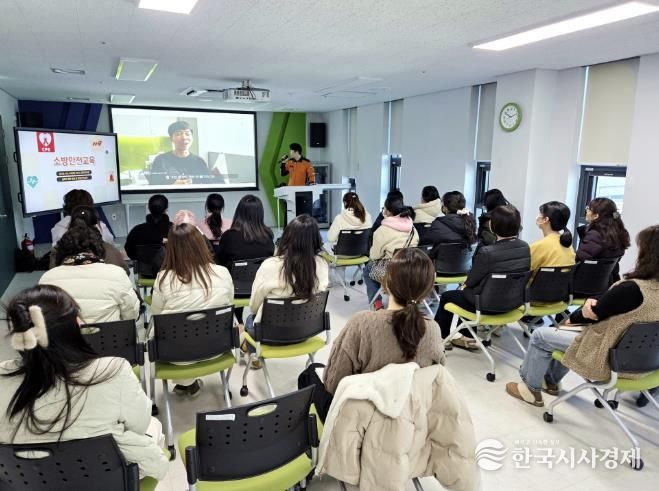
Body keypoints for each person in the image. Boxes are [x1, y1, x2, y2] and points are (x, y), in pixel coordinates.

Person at [0, 285, 168, 480]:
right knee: (153, 426)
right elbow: (139, 425)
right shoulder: (113, 371)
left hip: (30, 480)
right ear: (74, 325)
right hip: (105, 478)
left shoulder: (3, 376)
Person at [506, 225, 659, 407]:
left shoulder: (632, 289)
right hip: (646, 364)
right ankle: (550, 381)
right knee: (570, 332)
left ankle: (530, 390)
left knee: (541, 336)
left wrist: (575, 317)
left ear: (648, 255)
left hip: (607, 356)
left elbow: (593, 313)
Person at [324, 248, 445, 394]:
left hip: (364, 405)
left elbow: (333, 384)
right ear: (427, 289)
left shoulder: (361, 323)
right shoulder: (433, 330)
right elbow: (435, 380)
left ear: (386, 283)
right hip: (411, 406)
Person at [151, 223, 234, 396]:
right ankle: (188, 383)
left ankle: (186, 382)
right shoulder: (222, 273)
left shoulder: (163, 279)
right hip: (217, 348)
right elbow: (228, 304)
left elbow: (156, 316)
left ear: (171, 249)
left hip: (175, 355)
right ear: (201, 244)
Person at [435, 205, 530, 350]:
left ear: (493, 226)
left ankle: (441, 338)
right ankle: (466, 336)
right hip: (513, 304)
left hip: (486, 305)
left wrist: (466, 285)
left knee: (449, 296)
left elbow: (471, 280)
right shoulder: (525, 247)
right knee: (468, 293)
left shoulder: (487, 252)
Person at [244, 214, 329, 347]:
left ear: (287, 237)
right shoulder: (322, 264)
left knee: (250, 319)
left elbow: (254, 306)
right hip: (305, 331)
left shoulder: (270, 265)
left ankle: (250, 351)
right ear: (316, 240)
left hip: (270, 335)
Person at [39, 218, 140, 324]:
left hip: (67, 335)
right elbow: (131, 315)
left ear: (62, 250)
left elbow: (43, 320)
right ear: (99, 249)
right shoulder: (116, 274)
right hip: (110, 334)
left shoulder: (47, 279)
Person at [216, 195, 275, 323]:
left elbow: (220, 263)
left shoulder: (228, 236)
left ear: (238, 213)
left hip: (235, 291)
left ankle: (238, 322)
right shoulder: (268, 235)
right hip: (261, 288)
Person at [364, 197, 419, 310]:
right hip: (411, 270)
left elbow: (374, 256)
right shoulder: (412, 228)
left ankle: (376, 303)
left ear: (387, 211)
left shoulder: (382, 230)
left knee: (367, 269)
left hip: (393, 272)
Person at [50, 206, 129, 274]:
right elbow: (125, 272)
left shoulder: (57, 251)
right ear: (97, 226)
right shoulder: (109, 250)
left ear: (70, 225)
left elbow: (53, 274)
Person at [576, 197, 630, 283]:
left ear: (596, 216)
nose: (586, 211)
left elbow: (578, 261)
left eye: (588, 209)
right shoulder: (619, 234)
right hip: (607, 282)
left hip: (586, 283)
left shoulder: (595, 235)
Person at [529, 201, 575, 273]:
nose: (538, 216)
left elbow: (525, 272)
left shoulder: (538, 246)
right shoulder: (568, 246)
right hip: (562, 281)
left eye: (540, 214)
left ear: (545, 220)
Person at [124, 194, 172, 261]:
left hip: (143, 267)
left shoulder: (137, 231)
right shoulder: (175, 230)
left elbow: (130, 251)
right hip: (170, 266)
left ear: (149, 209)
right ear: (166, 210)